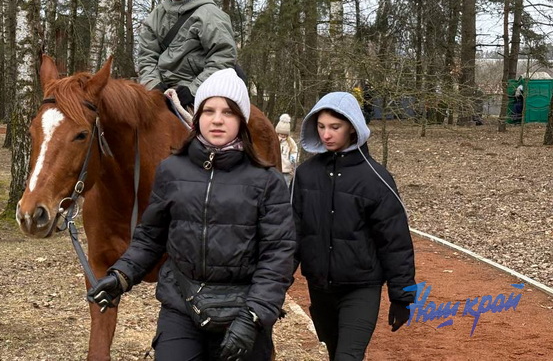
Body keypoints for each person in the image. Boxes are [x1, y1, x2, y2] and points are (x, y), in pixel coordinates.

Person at [87, 68, 295, 361]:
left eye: (229, 111)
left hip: (242, 310)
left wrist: (253, 317)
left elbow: (278, 256)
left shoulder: (268, 181)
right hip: (182, 305)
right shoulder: (171, 170)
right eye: (208, 110)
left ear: (242, 120)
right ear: (197, 117)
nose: (218, 119)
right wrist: (122, 275)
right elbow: (150, 237)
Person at [291, 92, 415, 360]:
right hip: (320, 286)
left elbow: (395, 241)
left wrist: (402, 297)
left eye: (335, 127)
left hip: (361, 287)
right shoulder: (305, 174)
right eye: (321, 127)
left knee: (349, 356)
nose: (326, 134)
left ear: (352, 127)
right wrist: (275, 286)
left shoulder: (376, 179)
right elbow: (292, 234)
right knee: (334, 352)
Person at [137, 0, 237, 111]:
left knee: (204, 133)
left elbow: (223, 57)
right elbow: (146, 56)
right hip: (159, 91)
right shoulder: (156, 15)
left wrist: (193, 90)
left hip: (198, 92)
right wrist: (154, 85)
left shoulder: (210, 15)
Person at [275, 114, 298, 188]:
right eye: (281, 134)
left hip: (286, 169)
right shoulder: (274, 141)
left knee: (285, 186)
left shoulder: (290, 142)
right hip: (275, 168)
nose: (283, 136)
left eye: (285, 134)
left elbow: (294, 151)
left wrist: (293, 158)